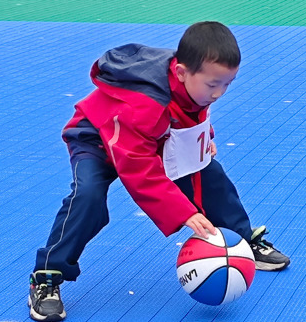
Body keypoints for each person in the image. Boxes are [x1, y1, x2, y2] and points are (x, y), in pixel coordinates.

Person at [28, 22, 291, 322]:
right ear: (181, 73)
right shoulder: (147, 103)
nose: (219, 93)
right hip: (97, 138)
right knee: (87, 197)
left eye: (227, 84)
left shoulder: (193, 77)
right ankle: (46, 276)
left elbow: (190, 111)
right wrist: (184, 212)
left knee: (208, 173)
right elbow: (139, 168)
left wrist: (203, 137)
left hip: (153, 137)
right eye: (213, 85)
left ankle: (243, 240)